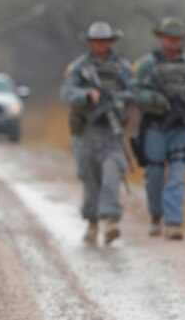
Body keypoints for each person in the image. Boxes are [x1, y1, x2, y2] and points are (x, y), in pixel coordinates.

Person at [132, 17, 185, 240]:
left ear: (182, 40)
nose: (173, 42)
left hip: (181, 128)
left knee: (177, 174)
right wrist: (152, 98)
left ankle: (174, 222)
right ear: (161, 38)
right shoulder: (147, 65)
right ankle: (156, 216)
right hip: (155, 127)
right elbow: (133, 90)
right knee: (154, 173)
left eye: (177, 38)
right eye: (169, 37)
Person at [61, 21, 135, 245]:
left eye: (104, 40)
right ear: (90, 42)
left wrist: (117, 98)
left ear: (111, 41)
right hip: (86, 131)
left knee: (112, 173)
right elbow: (67, 92)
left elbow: (134, 90)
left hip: (111, 131)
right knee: (89, 177)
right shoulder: (79, 67)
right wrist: (87, 95)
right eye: (96, 41)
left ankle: (110, 220)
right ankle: (92, 223)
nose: (100, 44)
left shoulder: (121, 67)